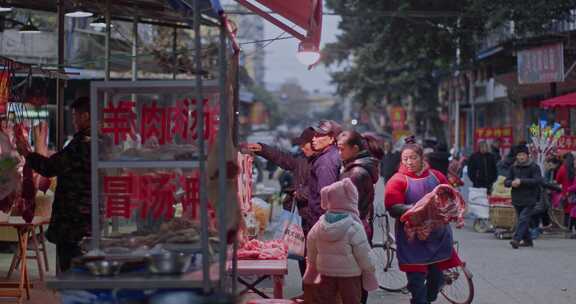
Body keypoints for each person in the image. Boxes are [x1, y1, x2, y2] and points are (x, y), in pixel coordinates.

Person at [15, 97, 91, 272]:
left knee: (72, 270)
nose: (73, 120)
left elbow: (50, 168)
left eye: (75, 116)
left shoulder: (81, 145)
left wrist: (27, 153)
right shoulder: (102, 141)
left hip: (75, 222)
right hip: (89, 221)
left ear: (85, 116)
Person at [385, 136, 461, 304]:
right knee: (416, 282)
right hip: (412, 237)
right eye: (405, 159)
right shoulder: (397, 180)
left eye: (413, 158)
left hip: (438, 235)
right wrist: (415, 208)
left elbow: (449, 196)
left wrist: (449, 206)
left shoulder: (436, 176)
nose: (409, 162)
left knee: (438, 279)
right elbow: (392, 207)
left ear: (421, 158)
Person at [242, 127, 316, 275]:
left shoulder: (325, 162)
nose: (301, 147)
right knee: (303, 254)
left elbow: (322, 188)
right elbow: (284, 159)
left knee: (313, 259)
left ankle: (313, 294)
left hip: (315, 216)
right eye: (300, 144)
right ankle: (307, 292)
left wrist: (299, 193)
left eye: (304, 144)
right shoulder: (302, 159)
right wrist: (263, 149)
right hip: (303, 215)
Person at [303, 178, 377, 304]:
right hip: (349, 274)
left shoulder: (319, 225)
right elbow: (364, 254)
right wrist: (369, 270)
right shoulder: (354, 227)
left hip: (324, 271)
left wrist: (312, 265)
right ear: (351, 201)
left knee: (324, 300)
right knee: (351, 300)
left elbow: (311, 245)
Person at [336, 130, 383, 304]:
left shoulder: (355, 173)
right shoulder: (358, 168)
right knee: (359, 276)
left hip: (354, 229)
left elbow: (346, 206)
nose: (339, 153)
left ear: (355, 148)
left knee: (353, 279)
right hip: (361, 227)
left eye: (341, 149)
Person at [505, 145, 543, 248]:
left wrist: (522, 181)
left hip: (530, 198)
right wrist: (511, 183)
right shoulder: (513, 167)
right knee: (523, 220)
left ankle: (516, 239)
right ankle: (528, 241)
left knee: (523, 218)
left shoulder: (534, 167)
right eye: (519, 155)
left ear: (527, 155)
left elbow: (538, 180)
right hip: (517, 198)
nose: (521, 157)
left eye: (523, 155)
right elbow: (506, 181)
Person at [308, 120, 342, 229]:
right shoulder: (333, 154)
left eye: (319, 135)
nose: (313, 139)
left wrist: (322, 224)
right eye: (314, 135)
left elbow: (325, 197)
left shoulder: (326, 161)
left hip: (322, 221)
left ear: (332, 138)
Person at [555, 152, 576, 234]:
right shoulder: (574, 168)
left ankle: (568, 228)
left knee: (567, 211)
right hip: (573, 193)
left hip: (566, 193)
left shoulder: (563, 168)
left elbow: (558, 180)